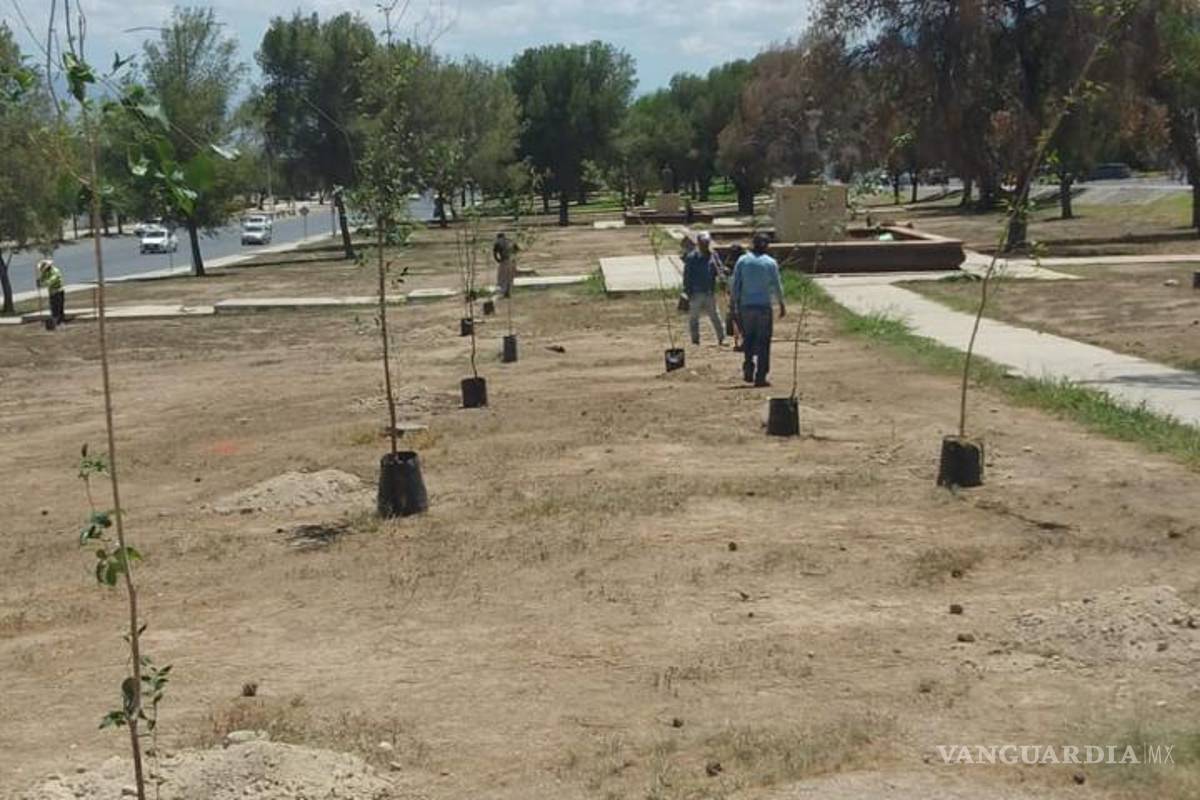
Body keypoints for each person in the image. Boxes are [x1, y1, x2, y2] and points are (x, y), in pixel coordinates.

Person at [730, 232, 785, 386]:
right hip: (763, 307)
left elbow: (736, 284)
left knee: (749, 338)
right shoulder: (770, 263)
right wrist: (781, 303)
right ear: (767, 246)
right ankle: (761, 376)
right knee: (763, 342)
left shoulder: (743, 260)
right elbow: (777, 285)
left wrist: (733, 303)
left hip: (746, 307)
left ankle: (748, 367)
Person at [682, 231, 725, 346]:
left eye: (707, 243)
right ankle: (695, 340)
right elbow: (687, 275)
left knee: (715, 316)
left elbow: (719, 269)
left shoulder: (713, 255)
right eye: (703, 243)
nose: (705, 245)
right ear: (699, 243)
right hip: (695, 293)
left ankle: (722, 338)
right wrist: (687, 291)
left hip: (709, 291)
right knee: (694, 318)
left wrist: (722, 276)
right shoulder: (692, 258)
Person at [724, 243, 745, 351]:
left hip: (737, 292)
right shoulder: (746, 261)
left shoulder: (732, 263)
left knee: (736, 318)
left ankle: (741, 342)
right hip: (745, 293)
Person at [36, 259, 67, 328]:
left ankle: (60, 322)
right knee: (53, 308)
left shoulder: (55, 271)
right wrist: (39, 281)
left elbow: (50, 281)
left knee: (59, 308)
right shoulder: (45, 272)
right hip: (51, 292)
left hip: (58, 291)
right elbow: (42, 278)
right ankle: (55, 323)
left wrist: (42, 284)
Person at [492, 232, 519, 298]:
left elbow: (495, 254)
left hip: (504, 261)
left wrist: (498, 260)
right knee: (509, 278)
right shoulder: (510, 241)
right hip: (512, 261)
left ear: (498, 237)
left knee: (502, 278)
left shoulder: (498, 243)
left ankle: (504, 293)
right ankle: (508, 292)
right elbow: (517, 249)